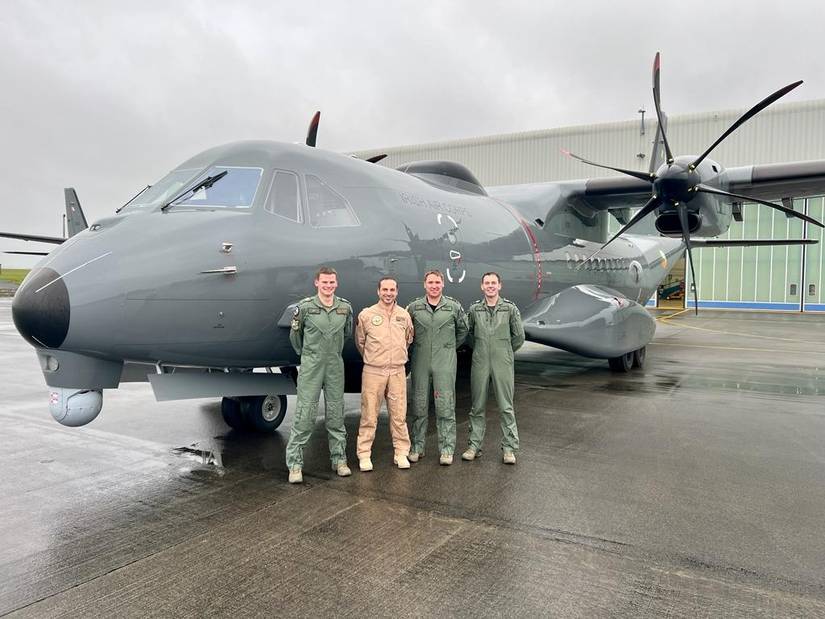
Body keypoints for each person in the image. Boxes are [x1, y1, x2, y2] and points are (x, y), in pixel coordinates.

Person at [285, 266, 353, 484]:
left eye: (332, 282)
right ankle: (295, 465)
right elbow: (296, 339)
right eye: (324, 282)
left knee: (335, 413)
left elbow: (347, 334)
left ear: (336, 283)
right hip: (312, 365)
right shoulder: (304, 308)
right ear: (317, 283)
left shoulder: (344, 308)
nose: (328, 286)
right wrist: (309, 356)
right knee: (305, 414)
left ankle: (339, 459)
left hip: (334, 365)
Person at [406, 270, 468, 465]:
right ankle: (417, 447)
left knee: (445, 405)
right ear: (425, 285)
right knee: (419, 404)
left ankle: (447, 449)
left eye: (437, 282)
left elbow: (462, 331)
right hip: (420, 359)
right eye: (430, 282)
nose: (434, 286)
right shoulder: (414, 307)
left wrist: (447, 347)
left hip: (445, 360)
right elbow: (408, 331)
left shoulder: (453, 306)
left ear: (443, 284)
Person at [462, 272, 525, 465]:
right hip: (480, 361)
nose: (490, 286)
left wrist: (504, 351)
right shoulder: (474, 310)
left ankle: (509, 448)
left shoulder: (510, 309)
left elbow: (519, 337)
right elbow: (468, 334)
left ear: (499, 286)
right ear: (482, 286)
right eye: (487, 283)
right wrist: (481, 349)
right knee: (477, 405)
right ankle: (474, 446)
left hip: (502, 362)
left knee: (506, 406)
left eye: (493, 283)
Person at [355, 276, 414, 471]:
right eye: (385, 290)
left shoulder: (404, 315)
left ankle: (401, 452)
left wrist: (394, 357)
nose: (388, 293)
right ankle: (364, 455)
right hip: (374, 371)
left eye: (392, 290)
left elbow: (408, 339)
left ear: (397, 292)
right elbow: (360, 342)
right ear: (378, 291)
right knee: (369, 415)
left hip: (397, 370)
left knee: (399, 415)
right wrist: (376, 358)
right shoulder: (366, 315)